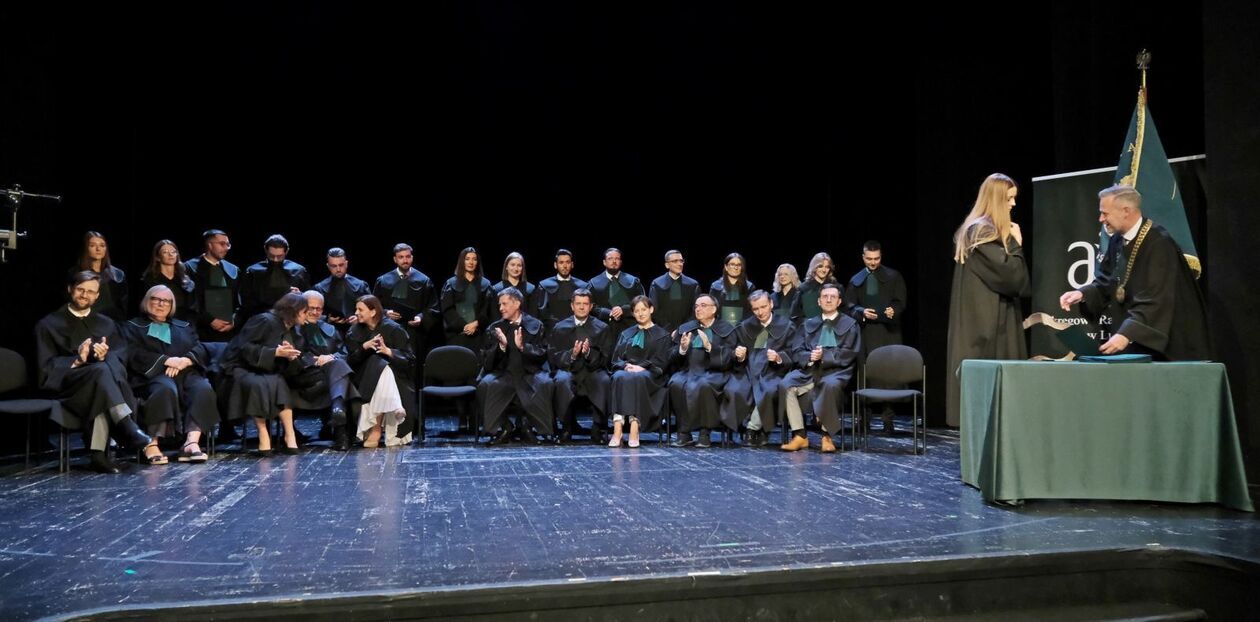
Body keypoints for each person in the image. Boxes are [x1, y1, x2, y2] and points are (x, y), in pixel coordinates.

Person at [1058, 185, 1211, 360]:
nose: (1101, 219)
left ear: (1126, 211)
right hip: (1136, 336)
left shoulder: (1159, 243)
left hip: (1170, 344)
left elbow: (1156, 298)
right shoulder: (1117, 240)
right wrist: (1083, 293)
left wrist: (1127, 333)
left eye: (1105, 213)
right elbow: (1107, 281)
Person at [36, 271, 149, 473]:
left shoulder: (107, 324)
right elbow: (45, 366)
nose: (84, 295)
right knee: (101, 374)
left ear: (97, 296)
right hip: (67, 386)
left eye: (90, 292)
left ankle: (99, 456)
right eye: (80, 289)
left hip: (98, 384)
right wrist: (77, 360)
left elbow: (121, 356)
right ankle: (126, 424)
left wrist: (104, 356)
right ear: (70, 289)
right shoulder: (48, 324)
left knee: (101, 374)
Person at [946, 173, 1030, 426]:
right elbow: (1012, 278)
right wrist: (1016, 244)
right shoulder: (982, 232)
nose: (1013, 204)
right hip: (987, 328)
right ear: (995, 200)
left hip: (988, 322)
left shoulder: (978, 230)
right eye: (1009, 199)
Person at [121, 285, 219, 463]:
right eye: (156, 299)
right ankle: (151, 443)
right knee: (164, 389)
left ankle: (191, 442)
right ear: (147, 301)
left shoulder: (184, 326)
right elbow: (132, 353)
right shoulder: (132, 327)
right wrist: (166, 360)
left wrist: (185, 360)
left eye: (166, 301)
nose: (161, 304)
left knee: (203, 388)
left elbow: (199, 347)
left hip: (185, 372)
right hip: (152, 375)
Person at [219, 292, 310, 454]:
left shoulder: (294, 332)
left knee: (279, 382)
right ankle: (263, 433)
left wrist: (290, 358)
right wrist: (274, 353)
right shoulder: (264, 320)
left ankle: (289, 434)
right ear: (293, 311)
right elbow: (245, 347)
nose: (307, 316)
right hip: (241, 367)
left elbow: (293, 365)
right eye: (304, 312)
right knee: (259, 384)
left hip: (266, 370)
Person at [779, 283, 860, 453]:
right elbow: (797, 351)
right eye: (825, 296)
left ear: (839, 301)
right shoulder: (807, 324)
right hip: (809, 371)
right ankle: (800, 435)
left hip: (836, 372)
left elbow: (850, 352)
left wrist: (825, 356)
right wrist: (810, 357)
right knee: (786, 383)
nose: (828, 300)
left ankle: (826, 436)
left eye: (833, 297)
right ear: (818, 301)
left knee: (830, 385)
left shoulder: (850, 324)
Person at [843, 240, 908, 434]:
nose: (873, 262)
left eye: (877, 258)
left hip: (888, 333)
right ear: (863, 257)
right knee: (866, 375)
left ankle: (888, 420)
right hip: (866, 334)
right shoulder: (856, 280)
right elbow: (849, 306)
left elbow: (900, 301)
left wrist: (893, 310)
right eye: (869, 259)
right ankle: (864, 420)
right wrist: (862, 312)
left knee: (888, 375)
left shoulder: (893, 276)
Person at [480, 288, 554, 445]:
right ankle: (505, 426)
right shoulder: (495, 328)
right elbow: (487, 360)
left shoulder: (536, 325)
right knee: (485, 384)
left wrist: (523, 347)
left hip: (529, 373)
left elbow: (542, 354)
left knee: (545, 383)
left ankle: (529, 427)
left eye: (504, 304)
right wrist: (501, 346)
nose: (501, 308)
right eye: (500, 305)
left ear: (517, 304)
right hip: (504, 373)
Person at [724, 290, 796, 447]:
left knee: (769, 390)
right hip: (748, 371)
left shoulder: (786, 326)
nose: (760, 312)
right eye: (755, 309)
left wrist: (779, 357)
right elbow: (733, 351)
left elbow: (793, 353)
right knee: (735, 389)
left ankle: (754, 429)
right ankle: (745, 428)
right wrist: (739, 355)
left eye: (763, 307)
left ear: (771, 304)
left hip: (774, 371)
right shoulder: (744, 327)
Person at [345, 295, 416, 447]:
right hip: (363, 377)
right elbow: (349, 360)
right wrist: (364, 347)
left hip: (396, 377)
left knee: (383, 365)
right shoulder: (354, 331)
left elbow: (409, 359)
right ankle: (395, 406)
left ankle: (375, 430)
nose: (356, 313)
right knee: (376, 362)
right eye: (356, 309)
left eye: (360, 309)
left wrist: (388, 351)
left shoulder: (394, 329)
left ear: (373, 312)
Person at [668, 294, 736, 448]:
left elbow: (730, 356)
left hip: (714, 372)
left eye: (703, 306)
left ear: (714, 309)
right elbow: (670, 356)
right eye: (696, 306)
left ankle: (705, 433)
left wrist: (710, 347)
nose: (698, 309)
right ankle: (684, 433)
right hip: (688, 371)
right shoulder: (686, 329)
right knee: (675, 383)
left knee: (704, 385)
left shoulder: (726, 329)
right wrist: (682, 349)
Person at [547, 288, 612, 444]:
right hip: (568, 369)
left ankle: (598, 428)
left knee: (603, 380)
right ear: (572, 306)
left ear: (591, 306)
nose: (582, 307)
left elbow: (606, 357)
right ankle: (566, 428)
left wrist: (589, 353)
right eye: (578, 304)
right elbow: (553, 356)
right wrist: (572, 354)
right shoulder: (560, 327)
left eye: (585, 304)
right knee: (562, 381)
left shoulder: (602, 327)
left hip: (592, 369)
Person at [297, 290, 359, 451]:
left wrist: (331, 356)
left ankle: (339, 425)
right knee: (342, 377)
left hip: (330, 377)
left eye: (318, 308)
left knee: (338, 367)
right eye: (311, 308)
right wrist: (317, 360)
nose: (315, 312)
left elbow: (344, 352)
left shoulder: (330, 328)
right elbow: (294, 354)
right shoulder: (295, 328)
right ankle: (340, 421)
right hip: (307, 377)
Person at [607, 296, 672, 448]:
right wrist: (625, 366)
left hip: (650, 375)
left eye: (644, 309)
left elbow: (662, 360)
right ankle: (617, 430)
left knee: (638, 378)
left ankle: (634, 428)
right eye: (637, 311)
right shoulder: (626, 334)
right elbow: (616, 359)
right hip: (626, 371)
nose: (641, 314)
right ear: (633, 313)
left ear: (651, 310)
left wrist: (642, 367)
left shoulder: (662, 335)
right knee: (619, 376)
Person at [185, 229, 241, 343]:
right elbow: (191, 300)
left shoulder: (233, 270)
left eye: (228, 244)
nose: (226, 248)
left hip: (229, 332)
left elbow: (240, 300)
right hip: (201, 331)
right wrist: (210, 320)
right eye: (222, 244)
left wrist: (234, 320)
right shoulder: (190, 268)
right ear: (209, 245)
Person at [239, 234, 311, 321]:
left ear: (286, 251)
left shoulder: (299, 271)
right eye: (271, 256)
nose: (275, 259)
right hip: (261, 319)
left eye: (279, 256)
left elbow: (308, 298)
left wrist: (300, 295)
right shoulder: (252, 271)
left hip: (292, 319)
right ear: (266, 250)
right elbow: (246, 301)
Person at [439, 247, 494, 350]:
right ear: (462, 261)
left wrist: (476, 323)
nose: (471, 262)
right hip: (457, 335)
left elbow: (488, 308)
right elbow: (447, 309)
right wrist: (465, 326)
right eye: (467, 259)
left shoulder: (486, 284)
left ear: (478, 262)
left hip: (480, 335)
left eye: (474, 259)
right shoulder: (451, 284)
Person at [69, 231, 129, 322]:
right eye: (92, 245)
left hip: (112, 323)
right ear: (86, 248)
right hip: (82, 321)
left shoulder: (117, 275)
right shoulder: (75, 273)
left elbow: (122, 306)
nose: (98, 249)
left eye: (102, 245)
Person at [588, 248, 645, 338]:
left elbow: (642, 302)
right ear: (604, 262)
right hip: (603, 329)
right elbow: (589, 305)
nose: (614, 261)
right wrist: (608, 313)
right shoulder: (593, 283)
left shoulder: (633, 281)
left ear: (621, 262)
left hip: (630, 328)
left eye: (617, 258)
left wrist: (624, 310)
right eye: (610, 258)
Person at [313, 247, 372, 332]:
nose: (338, 269)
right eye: (334, 266)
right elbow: (311, 313)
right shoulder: (319, 288)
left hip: (358, 331)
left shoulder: (361, 285)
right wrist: (328, 319)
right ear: (328, 266)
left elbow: (372, 310)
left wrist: (359, 318)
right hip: (329, 333)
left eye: (341, 265)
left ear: (346, 264)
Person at [140, 240, 197, 323]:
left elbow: (193, 307)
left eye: (173, 252)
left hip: (184, 324)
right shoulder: (149, 281)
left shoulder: (186, 280)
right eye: (165, 252)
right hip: (158, 323)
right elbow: (145, 308)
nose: (171, 255)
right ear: (157, 257)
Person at [647, 249, 701, 336]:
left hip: (687, 333)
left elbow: (695, 310)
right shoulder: (657, 284)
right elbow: (655, 310)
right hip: (663, 332)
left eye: (681, 261)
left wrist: (682, 330)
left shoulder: (693, 285)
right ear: (667, 265)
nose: (680, 264)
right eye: (675, 261)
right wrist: (668, 330)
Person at [538, 249, 589, 332]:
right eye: (561, 262)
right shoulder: (544, 285)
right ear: (555, 265)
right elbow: (542, 312)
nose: (565, 266)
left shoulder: (582, 286)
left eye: (568, 262)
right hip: (552, 330)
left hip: (577, 329)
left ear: (572, 264)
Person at [708, 252, 756, 325]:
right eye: (732, 264)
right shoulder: (715, 286)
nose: (736, 267)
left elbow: (751, 311)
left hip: (742, 328)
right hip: (720, 328)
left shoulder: (749, 287)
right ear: (726, 267)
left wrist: (741, 326)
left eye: (739, 265)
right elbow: (711, 310)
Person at [492, 252, 546, 317]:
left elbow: (533, 315)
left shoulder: (530, 289)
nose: (516, 268)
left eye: (519, 265)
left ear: (523, 268)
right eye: (512, 265)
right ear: (506, 266)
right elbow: (494, 315)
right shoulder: (497, 289)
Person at [790, 252, 836, 323]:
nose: (824, 270)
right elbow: (794, 315)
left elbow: (844, 310)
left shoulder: (835, 287)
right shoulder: (803, 289)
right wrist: (808, 323)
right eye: (820, 266)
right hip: (810, 328)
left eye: (827, 267)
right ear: (814, 267)